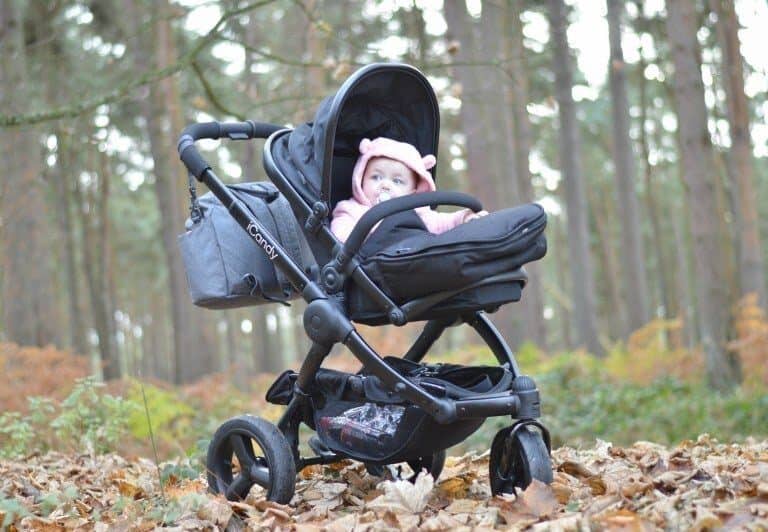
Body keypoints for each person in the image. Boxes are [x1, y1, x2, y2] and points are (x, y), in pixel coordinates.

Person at [331, 137, 488, 242]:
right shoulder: (352, 210)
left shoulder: (417, 213)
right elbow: (340, 234)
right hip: (375, 265)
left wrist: (463, 218)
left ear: (413, 191)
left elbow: (442, 222)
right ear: (360, 179)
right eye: (376, 177)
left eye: (397, 181)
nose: (385, 185)